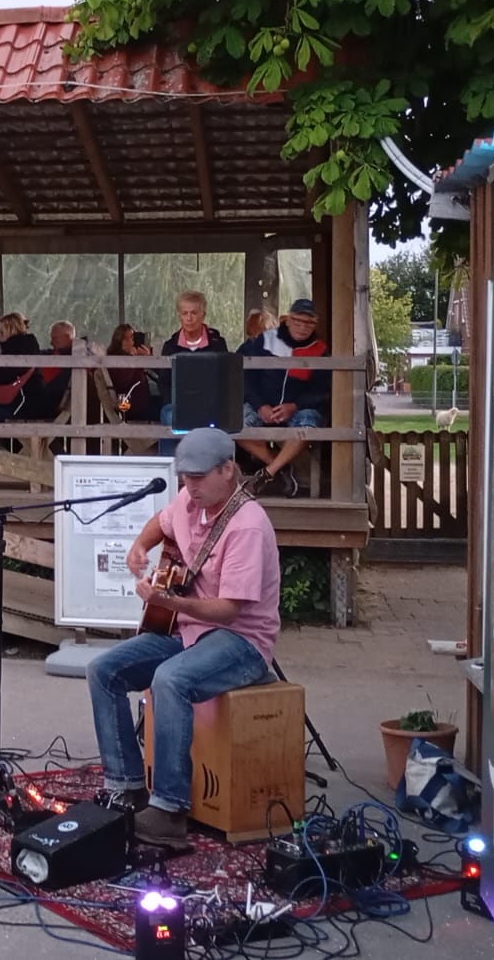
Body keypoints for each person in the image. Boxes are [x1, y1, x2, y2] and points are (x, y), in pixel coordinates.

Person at [86, 428, 281, 846]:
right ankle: (128, 784)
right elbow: (161, 522)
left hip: (241, 641)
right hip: (190, 630)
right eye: (184, 478)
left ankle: (169, 811)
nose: (188, 487)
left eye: (197, 477)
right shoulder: (190, 501)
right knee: (103, 669)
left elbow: (230, 610)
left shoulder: (248, 525)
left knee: (171, 680)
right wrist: (139, 546)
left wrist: (169, 604)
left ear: (228, 469)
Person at [236, 298, 331, 498]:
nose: (303, 327)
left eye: (309, 323)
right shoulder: (265, 341)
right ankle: (279, 466)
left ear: (316, 324)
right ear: (288, 320)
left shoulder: (321, 350)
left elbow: (322, 390)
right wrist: (261, 405)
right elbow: (246, 378)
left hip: (298, 409)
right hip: (262, 406)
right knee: (233, 423)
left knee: (308, 426)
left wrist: (294, 406)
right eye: (297, 321)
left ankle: (269, 472)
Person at [0, 312, 42, 423]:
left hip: (20, 402)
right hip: (24, 400)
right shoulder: (25, 346)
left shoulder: (18, 348)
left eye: (1, 331)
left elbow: (6, 374)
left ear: (9, 329)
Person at [18, 320, 75, 421]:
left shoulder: (71, 362)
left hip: (49, 405)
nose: (51, 342)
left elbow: (55, 389)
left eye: (55, 339)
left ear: (67, 337)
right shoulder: (56, 354)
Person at [106, 323, 156, 422]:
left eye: (132, 338)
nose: (132, 342)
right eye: (127, 339)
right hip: (131, 407)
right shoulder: (115, 360)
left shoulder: (129, 358)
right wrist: (136, 361)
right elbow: (124, 383)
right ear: (119, 342)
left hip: (142, 403)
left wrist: (149, 359)